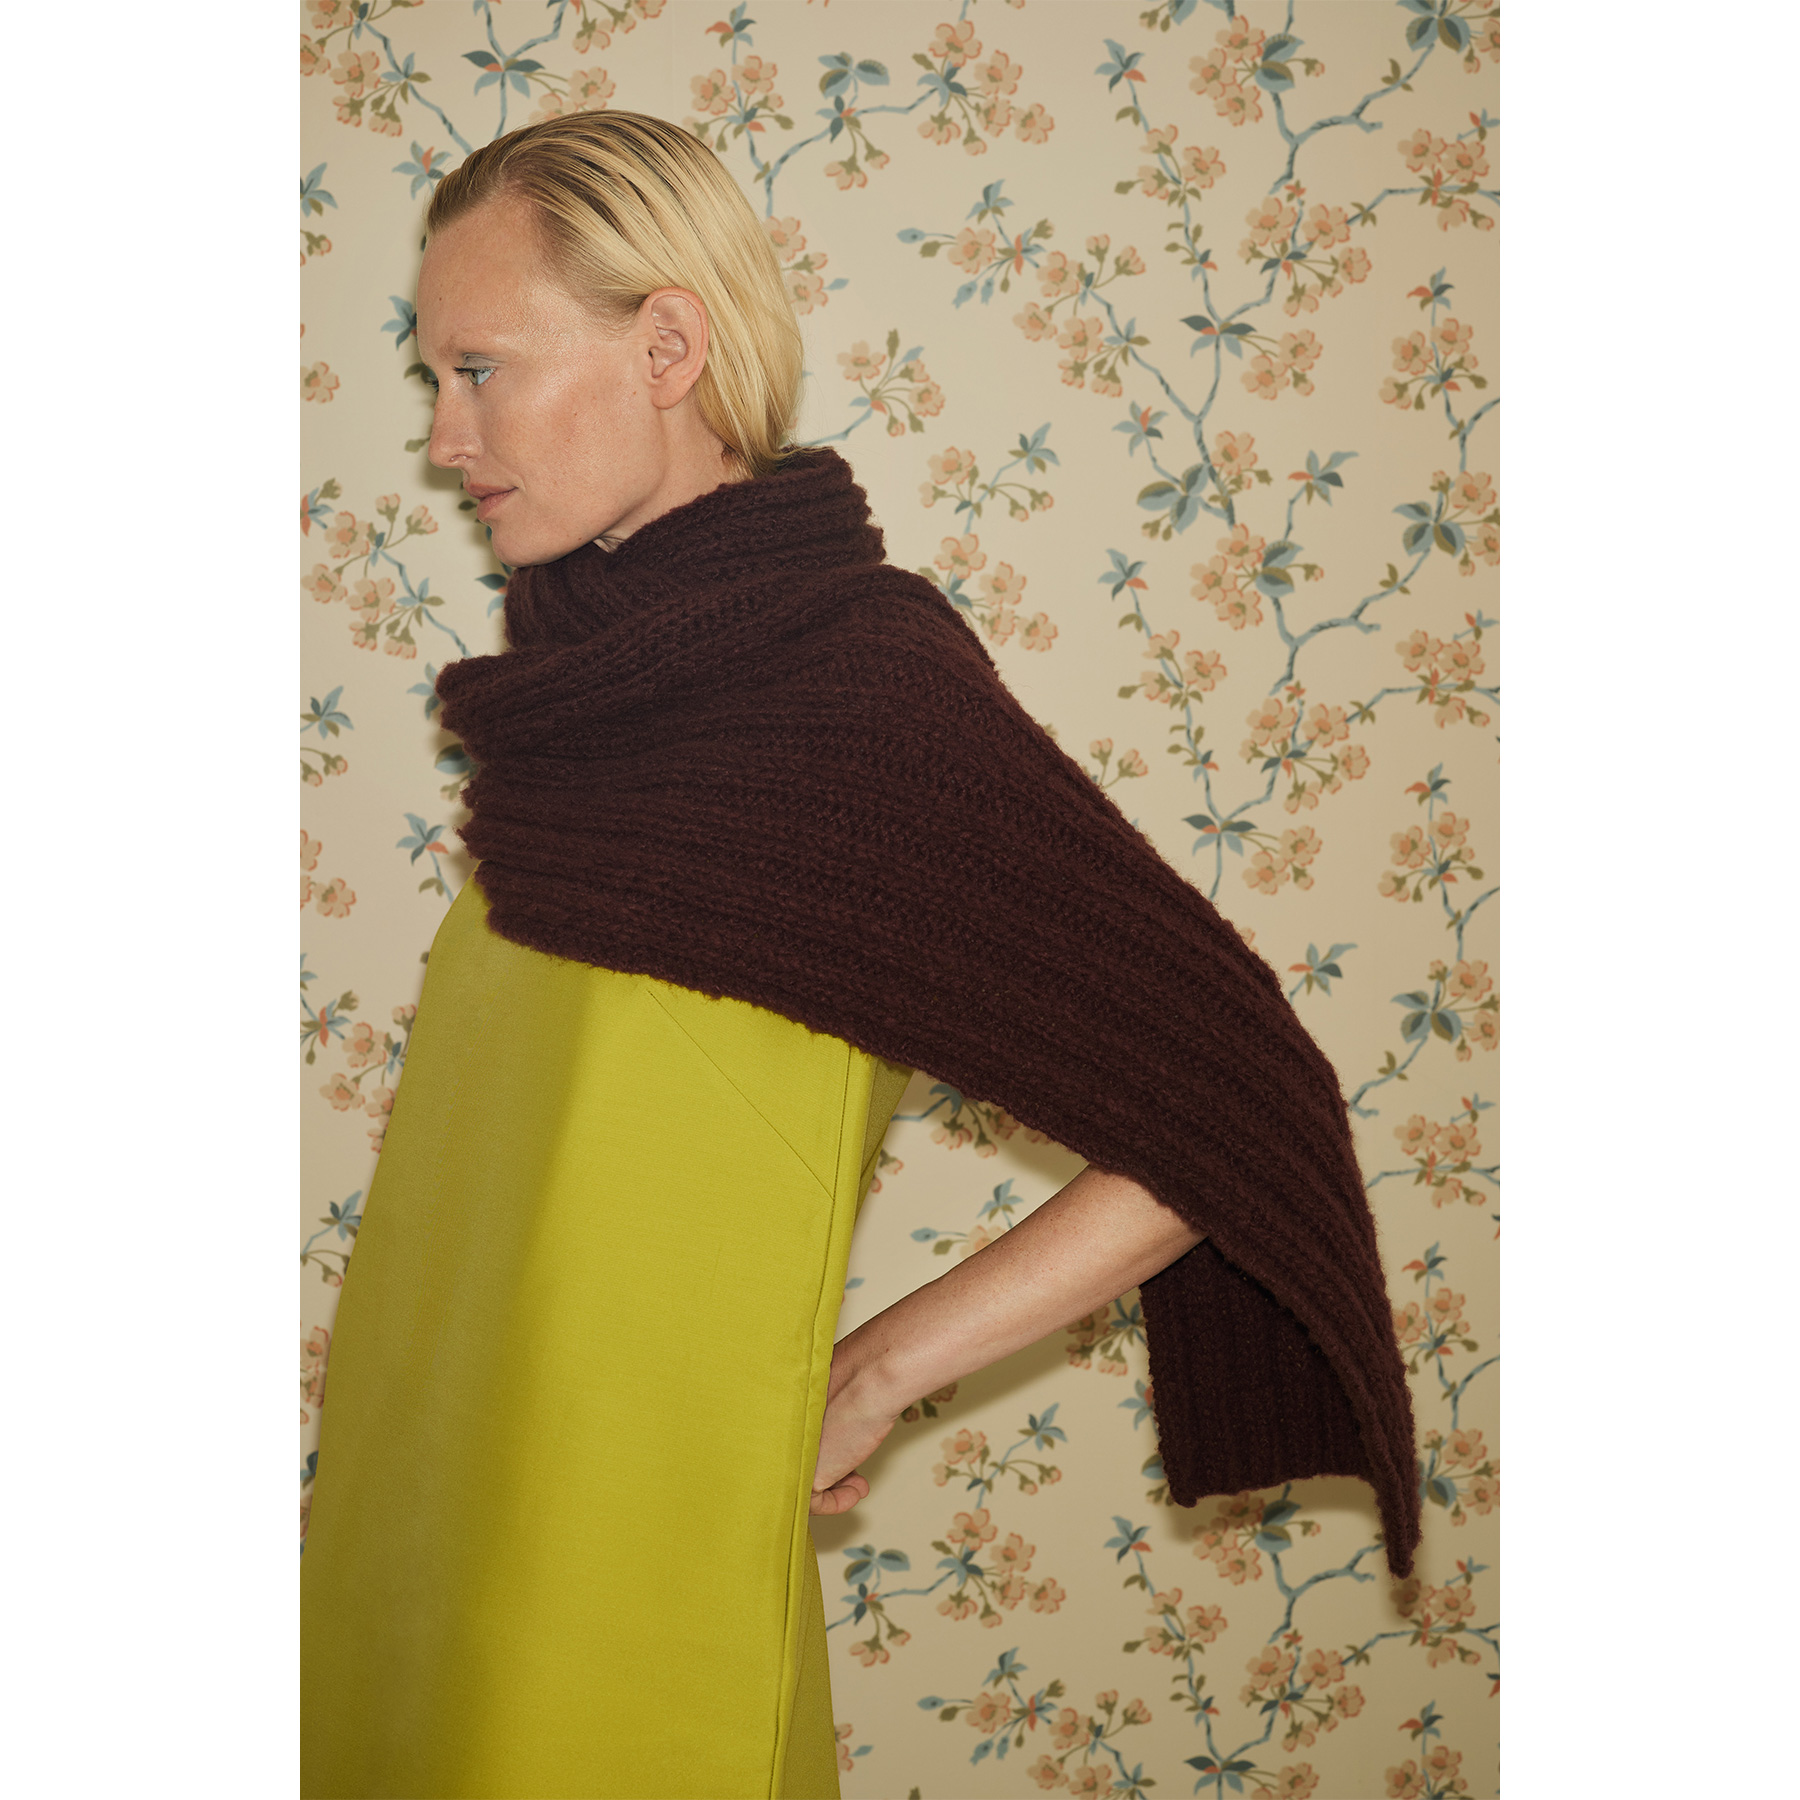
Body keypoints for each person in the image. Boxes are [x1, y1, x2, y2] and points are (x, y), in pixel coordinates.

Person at [300, 110, 1416, 1800]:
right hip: (406, 1507)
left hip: (618, 1555)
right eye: (428, 380)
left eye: (479, 371)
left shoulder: (853, 694)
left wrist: (882, 1370)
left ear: (666, 348)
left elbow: (1244, 1107)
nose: (446, 437)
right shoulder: (572, 715)